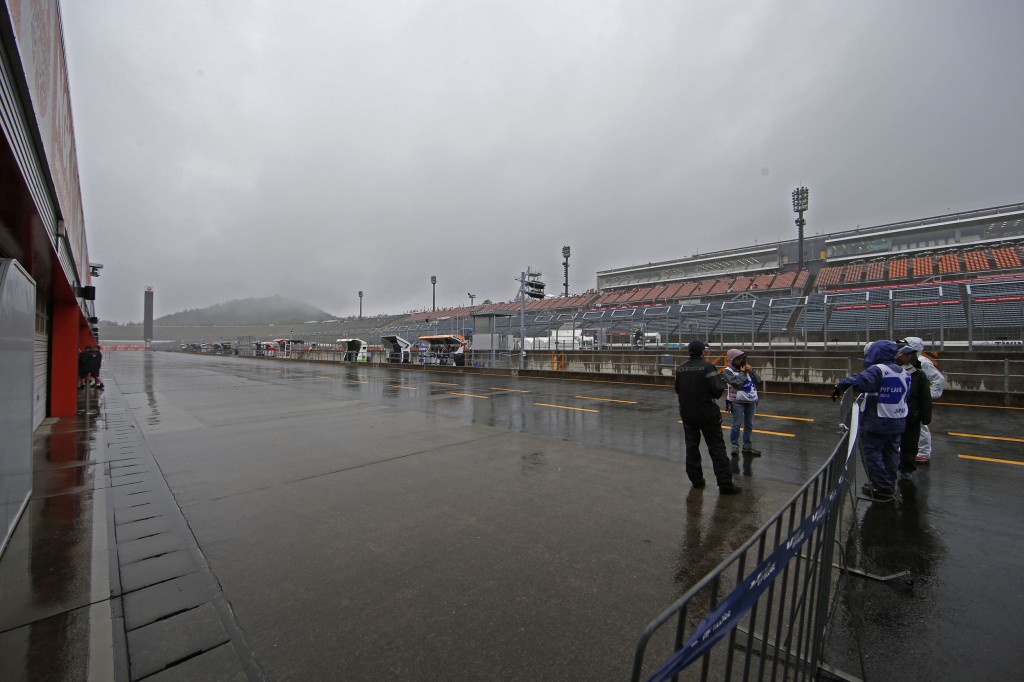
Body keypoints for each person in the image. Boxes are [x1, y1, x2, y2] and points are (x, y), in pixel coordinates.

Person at [830, 340, 909, 502]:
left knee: (871, 453)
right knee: (891, 453)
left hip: (877, 421)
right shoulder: (903, 371)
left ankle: (882, 486)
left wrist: (840, 385)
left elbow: (859, 381)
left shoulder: (878, 370)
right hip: (898, 420)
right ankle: (889, 483)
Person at [675, 340, 742, 495]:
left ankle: (696, 480)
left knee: (691, 447)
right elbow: (717, 389)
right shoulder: (708, 366)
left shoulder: (681, 369)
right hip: (706, 412)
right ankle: (725, 484)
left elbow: (678, 389)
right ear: (702, 352)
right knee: (716, 448)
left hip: (687, 413)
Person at [898, 337, 945, 464]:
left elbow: (938, 380)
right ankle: (907, 451)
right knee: (908, 426)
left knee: (921, 426)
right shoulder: (906, 360)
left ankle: (923, 453)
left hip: (917, 400)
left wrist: (927, 396)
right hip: (908, 398)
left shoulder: (922, 362)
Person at [895, 344, 933, 481]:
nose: (908, 356)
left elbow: (925, 397)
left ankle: (906, 469)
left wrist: (925, 416)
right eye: (905, 354)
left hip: (911, 417)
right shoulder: (888, 371)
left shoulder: (918, 375)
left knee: (910, 444)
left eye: (910, 354)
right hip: (892, 416)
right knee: (890, 444)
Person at [723, 348, 761, 456]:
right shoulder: (727, 371)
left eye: (742, 358)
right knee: (736, 425)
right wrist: (743, 373)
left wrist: (751, 371)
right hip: (736, 401)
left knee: (749, 425)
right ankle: (735, 446)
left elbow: (758, 381)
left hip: (750, 400)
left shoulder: (746, 369)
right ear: (732, 359)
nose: (741, 360)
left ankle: (747, 446)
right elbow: (736, 384)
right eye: (738, 358)